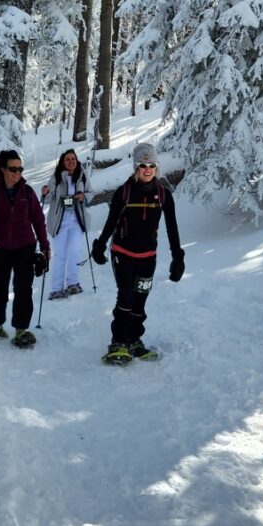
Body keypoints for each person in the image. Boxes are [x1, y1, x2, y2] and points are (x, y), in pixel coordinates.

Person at [91, 142, 184, 364]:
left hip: (147, 257)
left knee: (140, 300)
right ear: (136, 167)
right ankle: (118, 341)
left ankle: (133, 340)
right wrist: (100, 245)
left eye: (152, 164)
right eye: (143, 165)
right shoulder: (124, 192)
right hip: (122, 253)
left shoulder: (163, 195)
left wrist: (177, 257)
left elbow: (172, 228)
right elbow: (111, 222)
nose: (148, 169)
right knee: (126, 297)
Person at [0, 150, 50, 348]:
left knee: (23, 288)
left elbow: (38, 220)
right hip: (0, 248)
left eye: (20, 168)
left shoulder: (27, 192)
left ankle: (21, 329)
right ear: (2, 170)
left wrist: (45, 246)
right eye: (13, 169)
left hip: (25, 246)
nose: (17, 173)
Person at [40, 149, 91, 299]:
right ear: (63, 162)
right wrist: (45, 192)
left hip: (76, 220)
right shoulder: (56, 177)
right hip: (59, 222)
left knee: (74, 252)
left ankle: (73, 284)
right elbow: (48, 198)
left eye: (73, 159)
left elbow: (91, 193)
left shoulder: (82, 175)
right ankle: (56, 289)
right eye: (68, 159)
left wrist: (84, 197)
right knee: (60, 255)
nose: (71, 162)